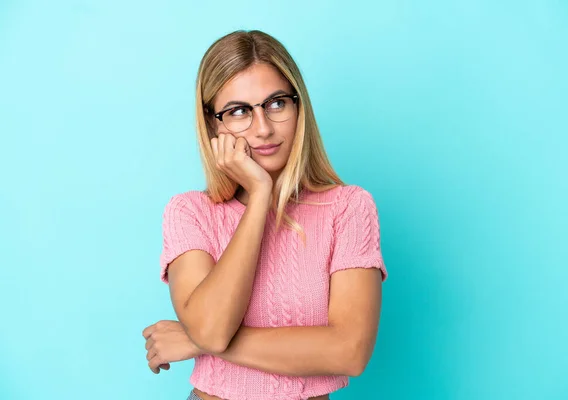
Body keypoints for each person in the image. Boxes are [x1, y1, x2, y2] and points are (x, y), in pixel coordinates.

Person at [142, 29, 388, 400]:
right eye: (239, 111)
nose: (263, 128)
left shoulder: (348, 208)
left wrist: (197, 343)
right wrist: (260, 195)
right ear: (214, 125)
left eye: (276, 103)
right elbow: (211, 329)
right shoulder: (190, 213)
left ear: (298, 105)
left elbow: (349, 352)